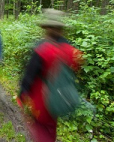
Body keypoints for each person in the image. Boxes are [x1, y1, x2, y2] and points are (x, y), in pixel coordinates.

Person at [17, 9, 83, 142]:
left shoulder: (41, 49)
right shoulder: (72, 50)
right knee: (51, 127)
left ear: (47, 28)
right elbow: (75, 69)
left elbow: (29, 76)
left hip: (41, 99)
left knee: (40, 128)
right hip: (59, 97)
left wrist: (22, 95)